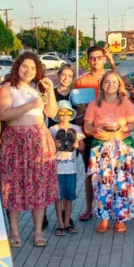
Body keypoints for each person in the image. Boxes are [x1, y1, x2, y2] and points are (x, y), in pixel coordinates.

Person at [0, 51, 59, 248]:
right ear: (17, 67)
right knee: (13, 185)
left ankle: (38, 230)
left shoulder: (39, 87)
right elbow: (4, 114)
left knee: (38, 185)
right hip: (15, 141)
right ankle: (14, 230)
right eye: (25, 66)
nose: (28, 71)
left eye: (33, 68)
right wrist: (31, 104)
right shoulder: (8, 87)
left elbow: (51, 113)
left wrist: (49, 92)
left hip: (38, 140)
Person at [84, 71, 134, 233]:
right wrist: (97, 129)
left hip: (122, 146)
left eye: (114, 82)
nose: (110, 85)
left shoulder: (126, 103)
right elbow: (87, 127)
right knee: (102, 183)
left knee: (121, 183)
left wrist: (121, 129)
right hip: (101, 147)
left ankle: (120, 218)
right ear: (101, 85)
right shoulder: (94, 104)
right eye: (107, 82)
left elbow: (133, 125)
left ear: (119, 85)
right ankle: (104, 217)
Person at [75, 45, 122, 222]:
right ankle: (89, 208)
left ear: (104, 59)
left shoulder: (111, 78)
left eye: (99, 57)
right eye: (92, 58)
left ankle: (114, 207)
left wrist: (112, 60)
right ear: (88, 60)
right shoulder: (82, 82)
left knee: (114, 173)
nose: (96, 61)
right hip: (91, 136)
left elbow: (122, 91)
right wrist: (88, 117)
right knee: (91, 173)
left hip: (113, 136)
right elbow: (79, 112)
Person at [49, 101, 84, 236]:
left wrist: (76, 145)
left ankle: (68, 220)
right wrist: (54, 145)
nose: (64, 115)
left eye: (67, 112)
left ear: (71, 114)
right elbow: (47, 149)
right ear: (57, 114)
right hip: (57, 169)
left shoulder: (76, 128)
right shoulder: (52, 130)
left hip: (71, 169)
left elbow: (82, 148)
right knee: (58, 197)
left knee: (69, 195)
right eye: (61, 112)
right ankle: (59, 222)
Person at [48, 64, 75, 128]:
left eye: (70, 76)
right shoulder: (51, 93)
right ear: (58, 75)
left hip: (71, 133)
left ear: (72, 78)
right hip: (53, 132)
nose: (66, 78)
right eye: (63, 75)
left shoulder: (75, 95)